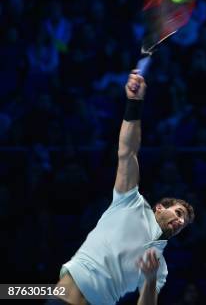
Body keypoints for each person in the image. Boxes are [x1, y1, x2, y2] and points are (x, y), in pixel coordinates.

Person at [50, 69, 195, 305]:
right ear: (159, 207)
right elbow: (127, 152)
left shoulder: (159, 265)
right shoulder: (131, 202)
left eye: (184, 224)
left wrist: (149, 281)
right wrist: (134, 103)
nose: (180, 222)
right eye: (179, 213)